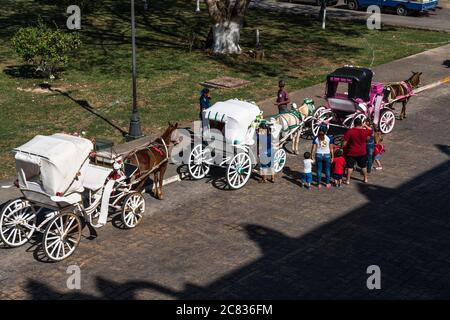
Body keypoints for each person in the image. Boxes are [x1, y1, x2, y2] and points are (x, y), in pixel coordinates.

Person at [343, 117, 373, 184]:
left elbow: (344, 143)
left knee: (350, 167)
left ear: (354, 124)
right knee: (363, 166)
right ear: (361, 123)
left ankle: (348, 180)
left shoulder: (350, 131)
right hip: (362, 152)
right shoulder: (365, 131)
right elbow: (371, 130)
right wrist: (365, 125)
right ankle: (365, 179)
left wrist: (342, 147)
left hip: (351, 152)